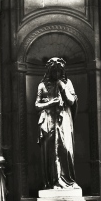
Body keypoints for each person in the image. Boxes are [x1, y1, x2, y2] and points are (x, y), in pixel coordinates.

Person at [35, 57, 78, 189]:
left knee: (66, 149)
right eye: (54, 71)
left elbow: (71, 101)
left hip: (64, 118)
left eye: (59, 71)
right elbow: (36, 105)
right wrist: (49, 103)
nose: (57, 74)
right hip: (48, 120)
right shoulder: (42, 86)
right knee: (52, 152)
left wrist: (62, 86)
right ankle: (54, 181)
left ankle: (69, 180)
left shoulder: (67, 83)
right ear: (49, 71)